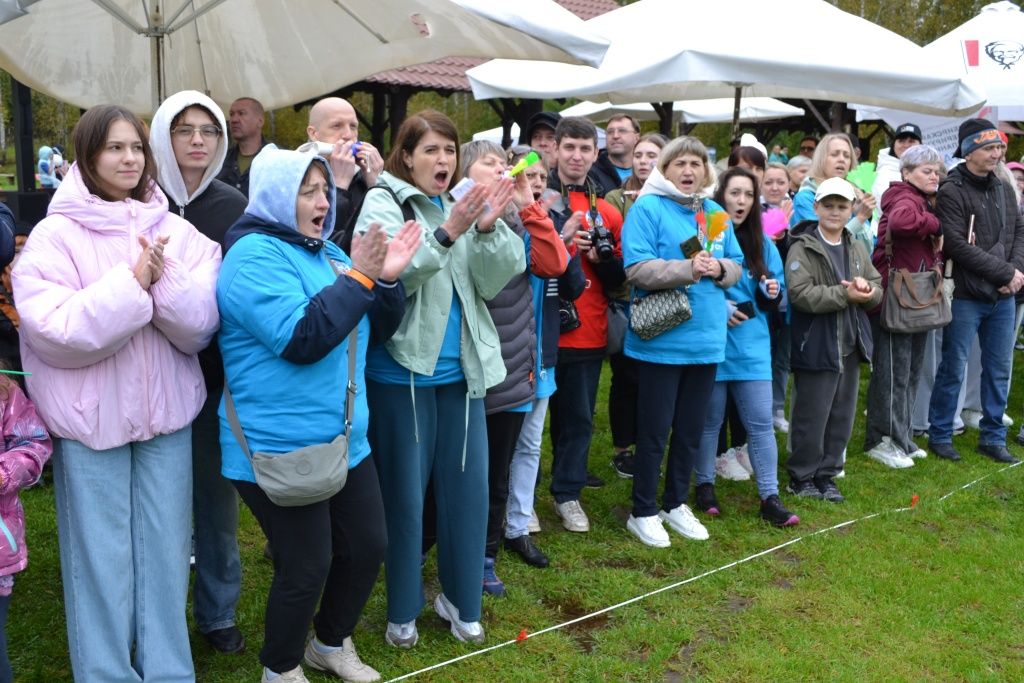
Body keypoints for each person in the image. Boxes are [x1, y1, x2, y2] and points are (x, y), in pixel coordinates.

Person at [13, 104, 221, 682]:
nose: (129, 159)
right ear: (86, 155)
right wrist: (132, 284)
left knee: (165, 552)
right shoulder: (54, 237)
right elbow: (55, 331)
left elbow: (201, 323)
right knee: (100, 559)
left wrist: (161, 284)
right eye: (114, 148)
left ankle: (168, 670)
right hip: (90, 422)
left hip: (167, 419)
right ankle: (105, 672)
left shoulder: (176, 230)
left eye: (136, 148)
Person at [218, 145, 417, 683]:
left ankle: (329, 642)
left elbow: (378, 329)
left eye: (324, 189)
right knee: (306, 566)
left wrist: (387, 280)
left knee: (369, 544)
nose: (322, 201)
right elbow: (303, 338)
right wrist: (361, 278)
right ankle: (279, 669)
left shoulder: (324, 251)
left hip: (345, 437)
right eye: (307, 191)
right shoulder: (251, 258)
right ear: (276, 196)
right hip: (278, 445)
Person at [356, 110, 524, 648]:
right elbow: (390, 273)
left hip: (463, 374)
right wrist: (447, 233)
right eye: (431, 150)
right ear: (406, 155)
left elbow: (496, 279)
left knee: (468, 494)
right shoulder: (383, 200)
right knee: (405, 499)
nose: (443, 161)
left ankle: (460, 601)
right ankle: (402, 608)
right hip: (401, 373)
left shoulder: (463, 203)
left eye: (449, 151)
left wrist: (490, 226)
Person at [149, 90, 249, 654]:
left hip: (213, 379)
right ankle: (159, 610)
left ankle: (217, 612)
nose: (195, 141)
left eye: (207, 131)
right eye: (184, 129)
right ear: (163, 133)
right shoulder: (139, 200)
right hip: (151, 379)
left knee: (215, 502)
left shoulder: (232, 206)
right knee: (162, 506)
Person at [459, 141, 570, 594]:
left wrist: (528, 205)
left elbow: (556, 264)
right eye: (491, 163)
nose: (504, 169)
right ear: (465, 173)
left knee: (497, 474)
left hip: (511, 365)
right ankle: (440, 550)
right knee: (456, 471)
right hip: (464, 367)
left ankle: (485, 556)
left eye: (506, 163)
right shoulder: (454, 218)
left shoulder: (523, 218)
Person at [621, 135, 742, 548]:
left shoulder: (714, 212)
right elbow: (636, 268)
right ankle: (642, 510)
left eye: (696, 164)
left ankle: (674, 503)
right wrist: (688, 268)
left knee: (691, 430)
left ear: (706, 172)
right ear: (664, 169)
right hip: (663, 340)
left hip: (707, 340)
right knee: (654, 431)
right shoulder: (647, 207)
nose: (688, 171)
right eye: (679, 164)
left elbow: (737, 265)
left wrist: (720, 267)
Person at [693, 167, 798, 527]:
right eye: (734, 193)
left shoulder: (763, 243)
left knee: (761, 424)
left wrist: (771, 293)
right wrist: (716, 307)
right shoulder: (702, 232)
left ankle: (770, 497)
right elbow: (685, 279)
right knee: (708, 423)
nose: (741, 201)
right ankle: (703, 487)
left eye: (748, 195)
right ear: (720, 196)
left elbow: (779, 297)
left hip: (752, 345)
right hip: (710, 341)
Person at [502, 145, 585, 567]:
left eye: (539, 179)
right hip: (503, 354)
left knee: (531, 443)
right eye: (524, 176)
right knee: (500, 445)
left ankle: (517, 524)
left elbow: (573, 285)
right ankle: (492, 523)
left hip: (542, 352)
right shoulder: (499, 224)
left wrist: (560, 240)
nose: (532, 184)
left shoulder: (548, 224)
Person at [927, 119, 1024, 464]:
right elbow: (955, 244)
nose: (997, 154)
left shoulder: (1002, 187)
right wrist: (1005, 271)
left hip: (1003, 296)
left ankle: (992, 436)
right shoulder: (951, 190)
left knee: (999, 368)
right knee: (954, 365)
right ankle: (939, 433)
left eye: (999, 147)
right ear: (969, 151)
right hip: (967, 294)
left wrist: (1015, 273)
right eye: (989, 148)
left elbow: (1019, 232)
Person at [545, 116, 625, 533]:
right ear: (555, 150)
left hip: (588, 328)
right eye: (569, 147)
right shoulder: (536, 200)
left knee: (577, 417)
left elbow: (621, 281)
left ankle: (567, 493)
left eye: (585, 149)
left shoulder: (607, 211)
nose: (576, 156)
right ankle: (510, 500)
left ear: (596, 154)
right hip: (535, 328)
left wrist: (602, 259)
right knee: (524, 424)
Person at [785, 177, 882, 503]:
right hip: (816, 344)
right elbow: (800, 294)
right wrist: (846, 294)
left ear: (851, 209)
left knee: (841, 415)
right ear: (816, 207)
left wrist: (867, 293)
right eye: (828, 205)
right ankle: (800, 477)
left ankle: (827, 475)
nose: (835, 212)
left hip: (850, 345)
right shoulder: (803, 246)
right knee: (811, 416)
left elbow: (875, 283)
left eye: (842, 206)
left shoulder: (855, 245)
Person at [864, 144, 944, 469]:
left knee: (911, 371)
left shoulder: (921, 199)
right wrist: (935, 225)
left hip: (916, 295)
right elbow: (901, 222)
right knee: (892, 372)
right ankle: (880, 440)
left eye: (936, 171)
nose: (934, 176)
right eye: (927, 171)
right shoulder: (902, 197)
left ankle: (903, 436)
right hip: (896, 296)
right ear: (906, 172)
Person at [604, 132, 668, 478]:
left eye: (651, 155)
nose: (644, 161)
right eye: (639, 155)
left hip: (662, 300)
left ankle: (651, 441)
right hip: (625, 299)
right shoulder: (615, 197)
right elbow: (619, 245)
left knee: (654, 377)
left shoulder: (675, 198)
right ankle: (622, 447)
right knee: (625, 377)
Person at [303, 97, 386, 252]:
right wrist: (339, 186)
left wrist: (377, 185)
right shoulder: (296, 177)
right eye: (337, 126)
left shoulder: (365, 174)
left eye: (353, 126)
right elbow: (322, 242)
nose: (348, 135)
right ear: (313, 133)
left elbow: (389, 235)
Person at [790, 132, 876, 255]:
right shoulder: (806, 198)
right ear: (821, 158)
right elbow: (820, 245)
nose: (841, 159)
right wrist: (860, 218)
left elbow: (868, 251)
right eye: (835, 154)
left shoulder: (855, 196)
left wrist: (861, 217)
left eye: (847, 156)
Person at [218, 97, 270, 196]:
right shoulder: (220, 160)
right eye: (231, 114)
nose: (233, 120)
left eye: (241, 113)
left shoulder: (276, 160)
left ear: (260, 121)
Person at [871, 123, 922, 222]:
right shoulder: (884, 174)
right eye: (901, 141)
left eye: (911, 141)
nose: (906, 145)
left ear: (921, 145)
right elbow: (889, 211)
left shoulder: (929, 171)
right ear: (893, 145)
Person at [589, 114, 640, 193]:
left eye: (622, 131)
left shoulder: (648, 171)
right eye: (610, 132)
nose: (615, 136)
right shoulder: (591, 173)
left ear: (636, 138)